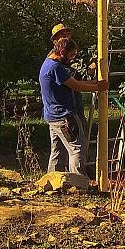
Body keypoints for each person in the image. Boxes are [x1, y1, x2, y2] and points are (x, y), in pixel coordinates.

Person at [39, 37, 107, 176]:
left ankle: (52, 181)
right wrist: (98, 87)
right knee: (77, 149)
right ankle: (79, 183)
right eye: (71, 55)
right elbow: (76, 86)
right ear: (62, 51)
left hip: (52, 117)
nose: (71, 59)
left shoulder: (47, 63)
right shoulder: (55, 67)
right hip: (64, 117)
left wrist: (95, 82)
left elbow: (72, 82)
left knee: (57, 151)